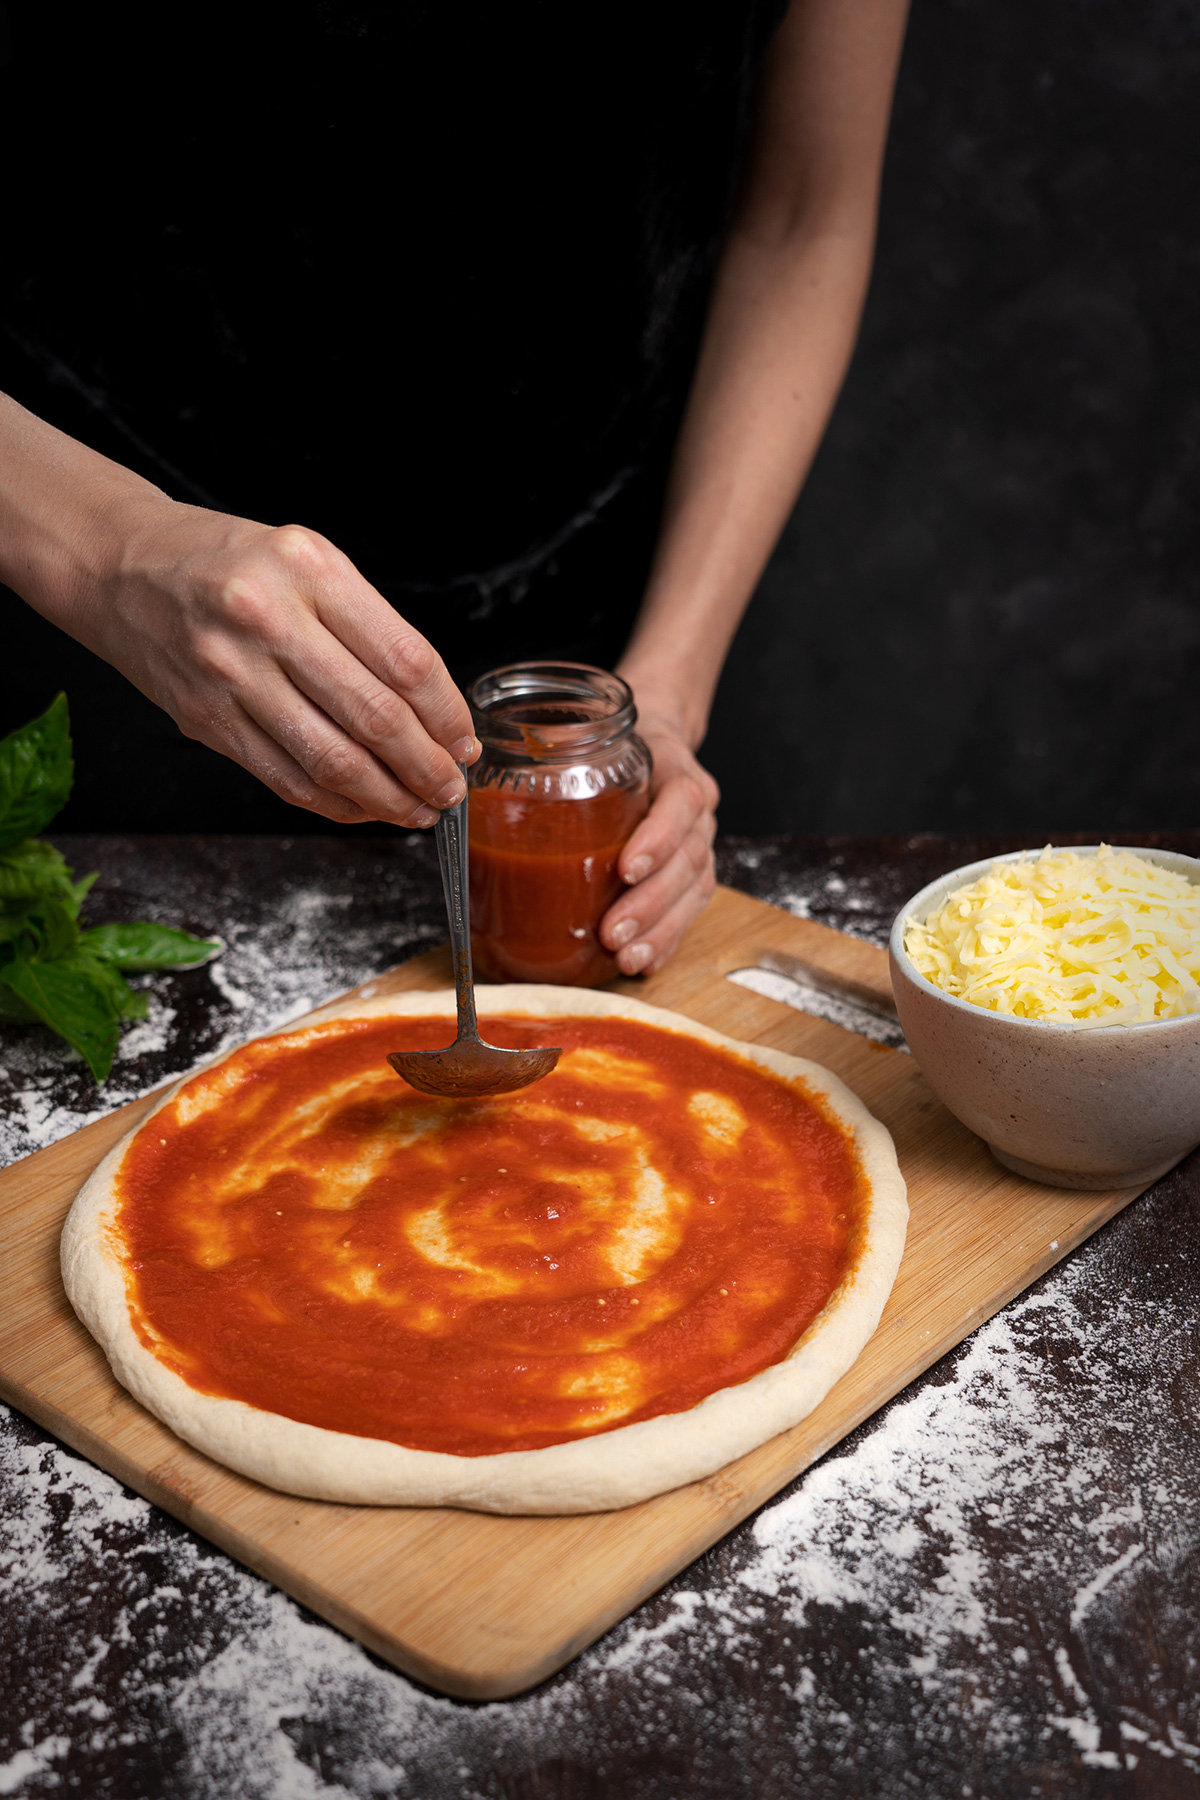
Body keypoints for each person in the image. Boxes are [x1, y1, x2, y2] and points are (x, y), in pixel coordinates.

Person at [0, 0, 908, 977]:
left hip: (608, 616)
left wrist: (671, 692)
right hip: (82, 599)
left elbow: (802, 218)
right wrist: (110, 553)